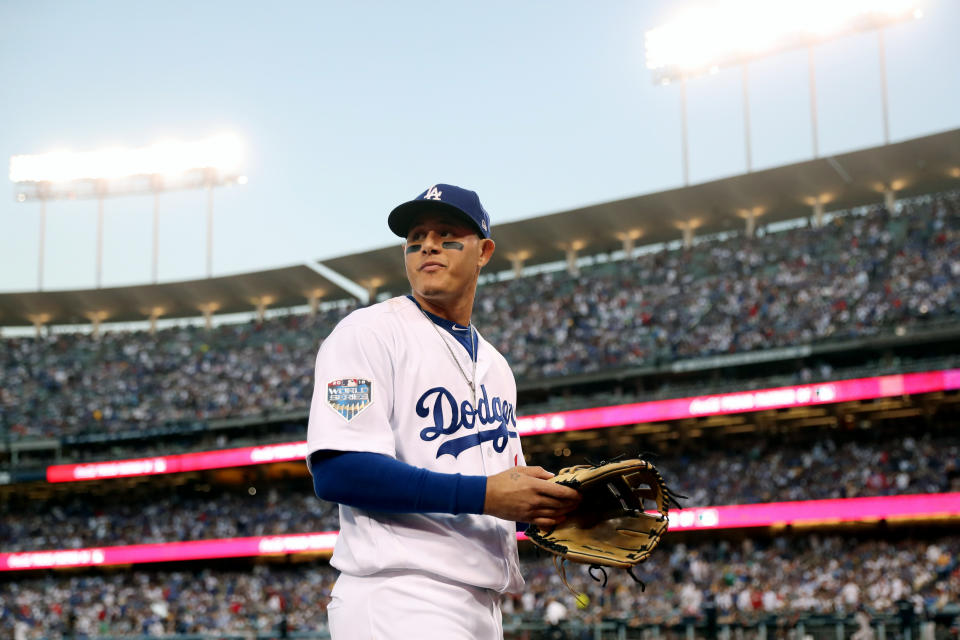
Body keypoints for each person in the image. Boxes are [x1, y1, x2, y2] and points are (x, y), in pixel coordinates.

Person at [305, 184, 581, 639]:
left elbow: (499, 488)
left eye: (447, 233)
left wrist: (549, 511)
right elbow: (340, 473)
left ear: (484, 251)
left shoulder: (497, 366)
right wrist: (485, 495)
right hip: (399, 595)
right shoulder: (367, 333)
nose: (428, 245)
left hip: (481, 602)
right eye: (416, 238)